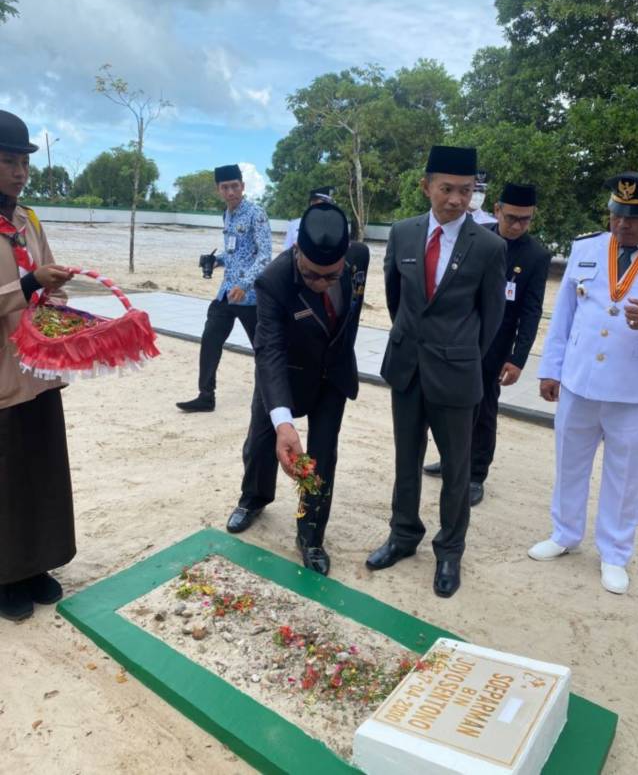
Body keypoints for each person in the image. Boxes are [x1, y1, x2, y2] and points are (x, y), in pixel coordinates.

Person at [366, 145, 506, 598]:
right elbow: (396, 299)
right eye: (447, 189)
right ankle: (403, 535)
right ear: (426, 186)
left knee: (457, 469)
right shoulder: (403, 233)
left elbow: (491, 318)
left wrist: (458, 353)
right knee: (406, 459)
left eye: (466, 191)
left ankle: (449, 551)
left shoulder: (489, 246)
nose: (457, 200)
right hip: (407, 367)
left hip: (456, 373)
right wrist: (416, 342)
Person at [225, 200, 369, 576]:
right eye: (310, 275)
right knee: (261, 442)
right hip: (284, 373)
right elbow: (269, 349)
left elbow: (350, 315)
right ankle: (254, 498)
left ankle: (310, 534)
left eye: (330, 276)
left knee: (322, 457)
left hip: (333, 375)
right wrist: (283, 421)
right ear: (297, 250)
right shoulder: (273, 281)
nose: (319, 283)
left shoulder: (359, 258)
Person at [529, 172, 638, 595]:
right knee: (569, 461)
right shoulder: (587, 248)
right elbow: (564, 315)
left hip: (631, 390)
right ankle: (564, 533)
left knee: (625, 476)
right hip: (579, 381)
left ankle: (614, 552)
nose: (622, 224)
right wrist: (551, 369)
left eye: (632, 218)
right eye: (616, 215)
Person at [423, 183, 551, 505]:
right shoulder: (477, 237)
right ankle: (451, 460)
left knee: (483, 411)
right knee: (451, 405)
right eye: (511, 218)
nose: (517, 225)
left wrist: (518, 358)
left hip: (496, 346)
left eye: (525, 219)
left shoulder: (536, 256)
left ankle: (476, 474)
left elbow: (531, 311)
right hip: (462, 338)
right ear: (497, 210)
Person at [0, 110, 75, 622]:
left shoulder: (29, 221)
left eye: (24, 163)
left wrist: (56, 301)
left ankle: (36, 565)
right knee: (6, 475)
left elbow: (48, 283)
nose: (19, 172)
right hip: (3, 374)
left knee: (41, 467)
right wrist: (28, 286)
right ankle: (5, 577)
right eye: (8, 162)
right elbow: (26, 285)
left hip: (38, 369)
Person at [176, 164, 272, 412]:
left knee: (263, 349)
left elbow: (264, 256)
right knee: (210, 340)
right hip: (226, 294)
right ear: (218, 189)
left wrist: (244, 284)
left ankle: (273, 397)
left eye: (235, 186)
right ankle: (206, 396)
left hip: (250, 296)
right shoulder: (226, 215)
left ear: (243, 186)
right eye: (225, 187)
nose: (231, 192)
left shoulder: (256, 214)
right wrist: (216, 261)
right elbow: (234, 254)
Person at [283, 186, 335, 250]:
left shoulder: (334, 227)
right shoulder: (295, 225)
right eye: (324, 203)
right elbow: (287, 251)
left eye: (329, 204)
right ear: (312, 203)